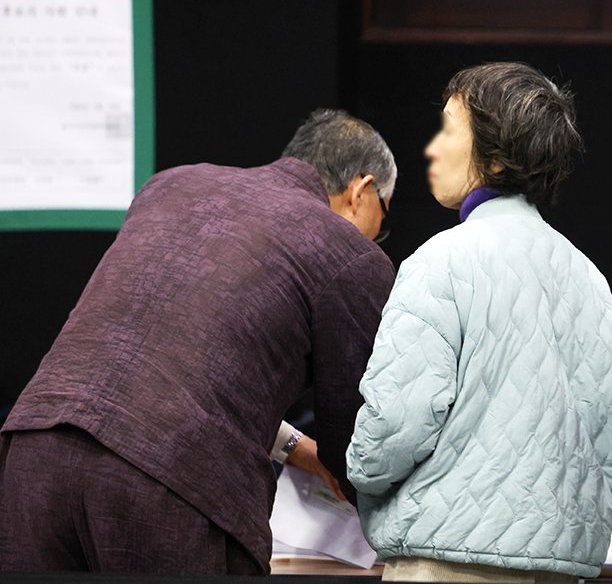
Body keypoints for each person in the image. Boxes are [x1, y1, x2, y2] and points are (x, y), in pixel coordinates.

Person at [0, 109, 397, 575]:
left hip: (33, 453)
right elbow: (355, 436)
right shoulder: (347, 252)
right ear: (362, 189)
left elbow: (167, 365)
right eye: (383, 220)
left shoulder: (169, 185)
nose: (378, 238)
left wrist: (293, 447)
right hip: (167, 482)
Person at [347, 62, 612, 583]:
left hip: (446, 559)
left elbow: (395, 422)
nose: (432, 149)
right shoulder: (590, 278)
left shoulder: (441, 259)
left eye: (450, 130)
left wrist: (359, 476)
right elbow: (608, 440)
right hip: (563, 566)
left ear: (495, 156)